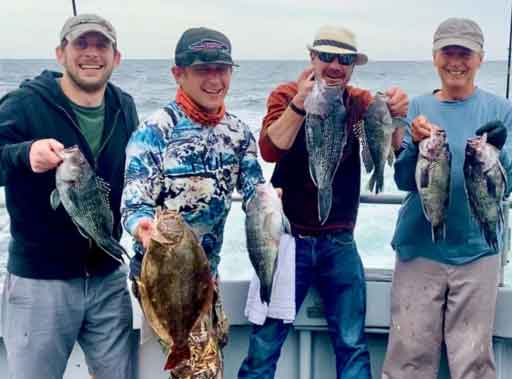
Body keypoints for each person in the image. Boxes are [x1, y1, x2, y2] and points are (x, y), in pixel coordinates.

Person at [237, 25, 408, 379]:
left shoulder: (359, 103)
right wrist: (300, 102)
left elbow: (389, 147)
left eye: (344, 59)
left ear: (352, 66)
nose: (335, 65)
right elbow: (270, 149)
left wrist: (397, 113)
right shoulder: (286, 94)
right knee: (265, 343)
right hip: (287, 239)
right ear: (312, 57)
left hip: (340, 241)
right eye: (326, 56)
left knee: (351, 343)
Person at [382, 18, 512, 379]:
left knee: (473, 360)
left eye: (465, 53)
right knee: (409, 357)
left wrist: (499, 151)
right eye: (448, 52)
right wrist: (413, 145)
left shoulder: (502, 111)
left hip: (478, 251)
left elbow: (509, 182)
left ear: (480, 58)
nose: (456, 62)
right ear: (435, 58)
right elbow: (404, 180)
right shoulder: (415, 109)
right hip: (419, 248)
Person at [121, 27, 264, 379]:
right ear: (178, 74)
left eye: (222, 69)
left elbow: (253, 189)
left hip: (205, 276)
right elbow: (133, 200)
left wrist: (267, 202)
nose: (214, 79)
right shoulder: (154, 131)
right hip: (163, 278)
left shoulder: (238, 133)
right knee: (200, 370)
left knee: (211, 353)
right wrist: (142, 225)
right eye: (203, 70)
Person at [0, 14, 137, 379]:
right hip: (41, 283)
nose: (91, 54)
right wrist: (24, 154)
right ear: (61, 54)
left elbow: (137, 179)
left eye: (101, 45)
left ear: (116, 57)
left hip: (109, 278)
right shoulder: (25, 103)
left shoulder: (125, 107)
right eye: (81, 44)